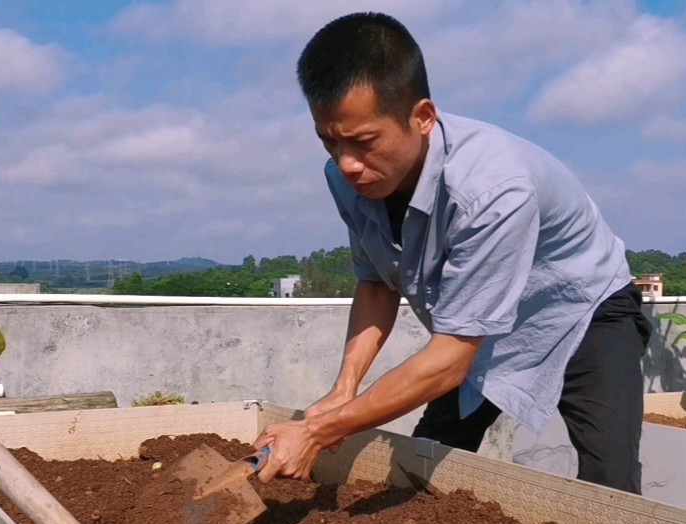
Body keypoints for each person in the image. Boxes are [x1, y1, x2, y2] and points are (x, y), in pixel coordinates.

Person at [253, 12, 652, 494]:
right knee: (428, 459)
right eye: (329, 141)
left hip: (578, 311)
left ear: (422, 117)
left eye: (362, 142)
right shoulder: (345, 178)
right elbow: (378, 282)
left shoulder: (491, 190)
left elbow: (450, 358)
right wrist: (343, 392)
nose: (347, 164)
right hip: (476, 324)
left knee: (609, 484)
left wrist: (319, 431)